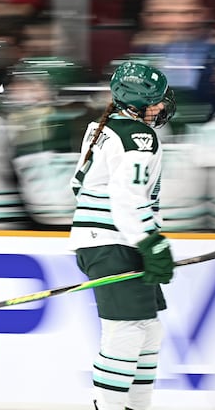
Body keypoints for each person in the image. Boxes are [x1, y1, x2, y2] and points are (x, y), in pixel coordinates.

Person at [69, 61, 177, 410]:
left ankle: (136, 407)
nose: (161, 106)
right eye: (155, 101)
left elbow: (77, 185)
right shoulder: (137, 135)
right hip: (115, 243)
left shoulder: (104, 129)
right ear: (136, 102)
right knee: (125, 332)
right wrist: (151, 242)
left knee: (147, 329)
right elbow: (128, 199)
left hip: (115, 241)